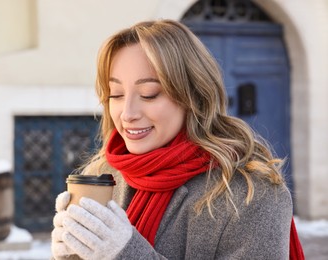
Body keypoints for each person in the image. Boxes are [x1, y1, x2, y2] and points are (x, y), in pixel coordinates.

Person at [51, 19, 304, 259]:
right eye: (116, 94)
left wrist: (125, 253)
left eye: (149, 94)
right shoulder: (103, 174)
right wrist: (69, 253)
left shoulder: (251, 194)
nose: (127, 114)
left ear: (193, 97)